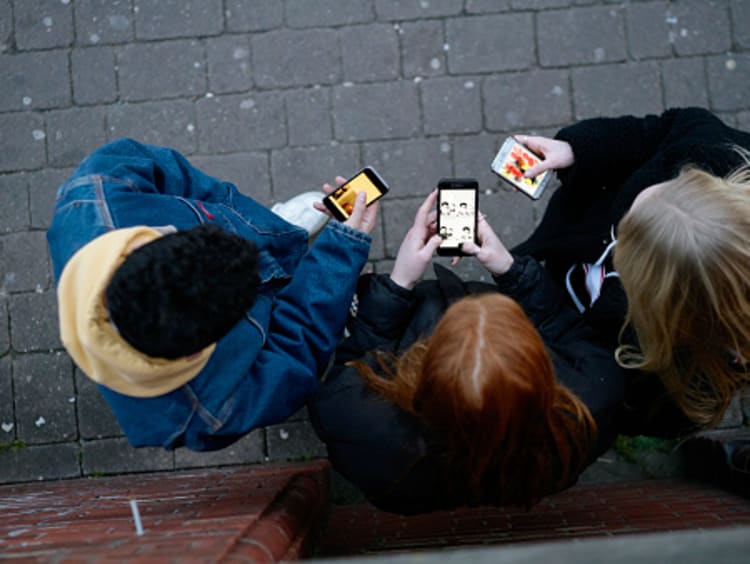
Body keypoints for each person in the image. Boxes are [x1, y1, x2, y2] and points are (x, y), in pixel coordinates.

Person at [47, 138, 378, 452]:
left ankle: (275, 230)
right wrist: (341, 252)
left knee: (261, 235)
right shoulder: (207, 414)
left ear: (143, 242)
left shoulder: (96, 191)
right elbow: (296, 352)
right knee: (307, 302)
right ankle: (292, 256)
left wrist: (235, 214)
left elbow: (174, 173)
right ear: (196, 355)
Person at [308, 191, 626, 515]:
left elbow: (354, 362)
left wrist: (398, 283)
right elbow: (567, 330)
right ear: (538, 362)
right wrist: (510, 269)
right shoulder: (592, 406)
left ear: (426, 366)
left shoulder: (364, 429)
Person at [512, 107, 750, 435]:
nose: (617, 223)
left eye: (626, 238)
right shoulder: (708, 149)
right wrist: (577, 151)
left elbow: (598, 380)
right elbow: (653, 133)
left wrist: (515, 278)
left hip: (567, 325)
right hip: (565, 259)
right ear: (693, 179)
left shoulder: (670, 372)